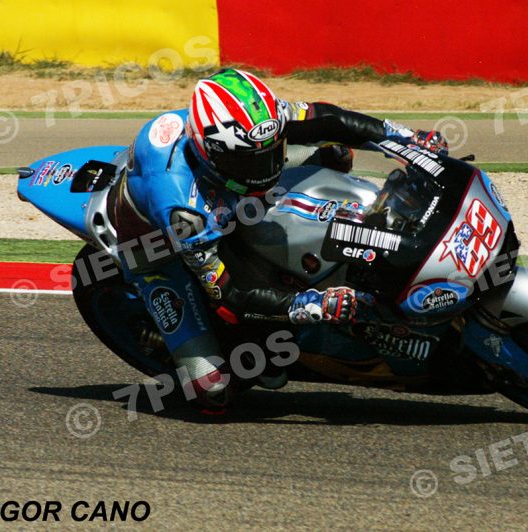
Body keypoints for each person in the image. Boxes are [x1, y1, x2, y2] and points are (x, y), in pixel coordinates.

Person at [108, 68, 448, 410]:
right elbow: (229, 295)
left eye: (269, 153)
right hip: (155, 250)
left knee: (336, 153)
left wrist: (404, 137)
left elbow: (328, 120)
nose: (265, 168)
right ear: (211, 153)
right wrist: (308, 305)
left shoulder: (253, 121)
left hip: (231, 193)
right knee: (211, 391)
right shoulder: (183, 209)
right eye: (250, 160)